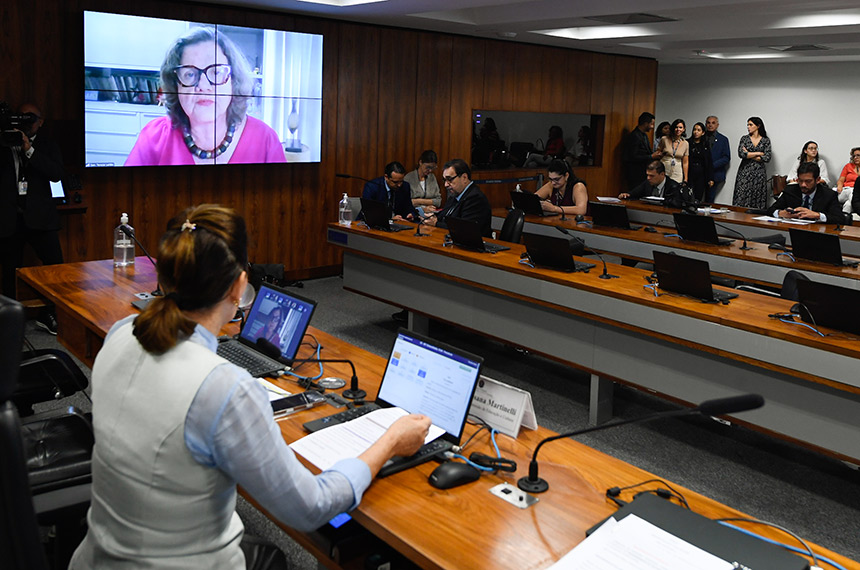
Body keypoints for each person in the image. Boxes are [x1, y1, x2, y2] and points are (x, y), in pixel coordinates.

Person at [69, 204, 430, 568]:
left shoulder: (120, 333)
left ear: (163, 277)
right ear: (241, 287)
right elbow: (311, 508)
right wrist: (390, 442)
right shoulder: (223, 388)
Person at [125, 27, 286, 165]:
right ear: (176, 85)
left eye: (216, 72)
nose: (203, 86)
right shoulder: (153, 137)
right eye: (189, 74)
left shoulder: (266, 140)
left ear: (233, 81)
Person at [0, 103, 64, 333]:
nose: (28, 123)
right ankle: (9, 323)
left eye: (32, 119)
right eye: (23, 118)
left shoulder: (47, 144)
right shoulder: (4, 141)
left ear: (41, 121)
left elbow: (56, 174)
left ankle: (50, 314)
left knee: (55, 268)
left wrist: (29, 150)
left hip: (40, 218)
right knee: (9, 272)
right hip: (9, 217)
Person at [423, 159, 492, 237]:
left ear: (464, 177)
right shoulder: (455, 194)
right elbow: (444, 216)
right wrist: (427, 218)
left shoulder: (475, 198)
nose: (446, 184)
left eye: (449, 179)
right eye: (444, 180)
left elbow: (465, 230)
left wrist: (436, 223)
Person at [771, 162, 842, 223]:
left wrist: (817, 215)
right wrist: (780, 213)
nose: (803, 185)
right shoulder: (790, 190)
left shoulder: (829, 195)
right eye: (800, 181)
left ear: (818, 180)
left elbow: (840, 218)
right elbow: (770, 210)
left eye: (808, 181)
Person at [732, 116, 772, 209]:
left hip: (759, 173)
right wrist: (758, 153)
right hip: (745, 172)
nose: (748, 127)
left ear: (758, 126)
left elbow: (766, 157)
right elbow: (742, 154)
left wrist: (749, 154)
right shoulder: (744, 138)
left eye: (750, 125)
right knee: (741, 195)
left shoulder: (765, 140)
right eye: (747, 125)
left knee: (757, 197)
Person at [618, 160, 684, 208]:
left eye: (652, 176)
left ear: (662, 174)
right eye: (647, 175)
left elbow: (676, 204)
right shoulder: (647, 183)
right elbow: (633, 194)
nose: (648, 178)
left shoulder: (673, 186)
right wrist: (626, 195)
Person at [622, 112, 661, 191]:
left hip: (643, 172)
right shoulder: (635, 136)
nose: (652, 127)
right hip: (635, 173)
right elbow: (632, 156)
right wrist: (651, 156)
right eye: (652, 124)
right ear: (646, 123)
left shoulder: (644, 135)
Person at [704, 116, 730, 203]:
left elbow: (726, 157)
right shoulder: (701, 138)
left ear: (717, 125)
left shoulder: (723, 139)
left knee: (710, 200)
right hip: (701, 173)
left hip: (715, 174)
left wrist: (712, 165)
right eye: (708, 123)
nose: (710, 125)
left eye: (713, 123)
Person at [686, 122, 714, 203]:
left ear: (703, 132)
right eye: (694, 130)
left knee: (698, 196)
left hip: (701, 174)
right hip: (690, 171)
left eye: (698, 130)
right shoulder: (687, 143)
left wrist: (711, 178)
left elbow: (709, 162)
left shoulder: (705, 145)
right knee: (688, 194)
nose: (696, 132)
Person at [658, 118, 689, 184]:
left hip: (677, 171)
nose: (678, 129)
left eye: (680, 127)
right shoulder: (664, 139)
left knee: (675, 190)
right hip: (664, 168)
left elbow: (685, 162)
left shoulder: (685, 143)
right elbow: (658, 153)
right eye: (676, 127)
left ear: (684, 129)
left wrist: (686, 178)